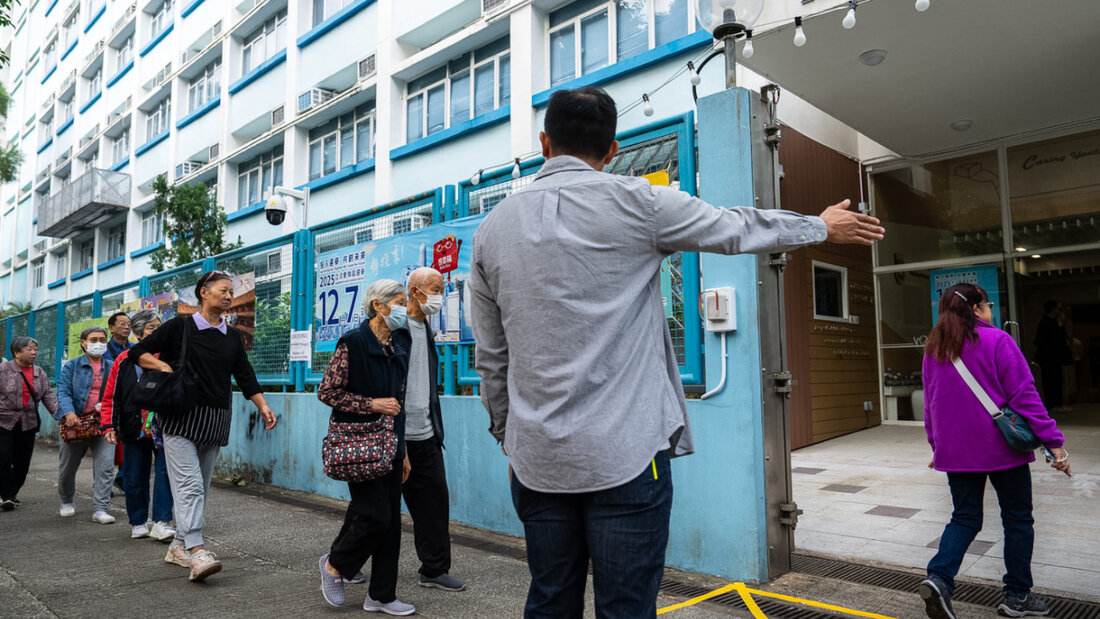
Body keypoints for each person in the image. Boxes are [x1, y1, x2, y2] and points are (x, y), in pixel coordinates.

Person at [469, 86, 885, 618]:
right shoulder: (638, 203)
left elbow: (492, 355)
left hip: (539, 460)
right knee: (627, 606)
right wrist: (821, 225)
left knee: (550, 599)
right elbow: (736, 226)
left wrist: (509, 437)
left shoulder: (491, 230)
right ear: (613, 150)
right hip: (629, 452)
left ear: (545, 143)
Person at [919, 283, 1070, 619]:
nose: (990, 310)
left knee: (964, 517)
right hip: (1002, 450)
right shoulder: (999, 341)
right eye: (987, 305)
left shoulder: (934, 349)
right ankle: (1016, 596)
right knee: (1017, 520)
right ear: (975, 310)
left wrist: (937, 445)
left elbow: (931, 406)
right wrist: (1054, 442)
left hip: (956, 451)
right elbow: (1025, 396)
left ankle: (939, 579)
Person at [130, 270, 277, 583]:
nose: (228, 296)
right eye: (223, 290)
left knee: (201, 487)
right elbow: (137, 352)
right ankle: (196, 551)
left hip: (214, 419)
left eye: (231, 292)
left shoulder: (231, 335)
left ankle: (179, 545)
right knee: (190, 485)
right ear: (203, 292)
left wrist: (262, 406)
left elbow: (245, 374)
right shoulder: (179, 326)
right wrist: (163, 365)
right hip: (179, 417)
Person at [317, 279, 415, 616]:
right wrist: (371, 404)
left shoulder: (398, 350)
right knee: (375, 515)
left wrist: (402, 451)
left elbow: (398, 405)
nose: (404, 308)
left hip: (388, 445)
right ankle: (335, 564)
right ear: (379, 305)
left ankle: (382, 596)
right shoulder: (354, 343)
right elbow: (328, 391)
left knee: (390, 522)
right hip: (358, 446)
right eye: (400, 301)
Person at [400, 267, 464, 591]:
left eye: (442, 288)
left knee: (436, 502)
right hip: (396, 435)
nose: (439, 294)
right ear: (415, 291)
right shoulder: (393, 327)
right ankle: (343, 562)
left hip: (426, 434)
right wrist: (396, 440)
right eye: (435, 288)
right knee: (374, 511)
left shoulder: (425, 328)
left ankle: (434, 569)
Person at [101, 309, 175, 542]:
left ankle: (162, 521)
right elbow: (111, 396)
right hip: (133, 427)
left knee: (165, 473)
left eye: (160, 327)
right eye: (152, 328)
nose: (157, 331)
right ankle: (138, 521)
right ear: (139, 332)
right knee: (134, 476)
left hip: (165, 426)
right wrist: (108, 426)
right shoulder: (124, 360)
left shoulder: (171, 355)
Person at [55, 327, 115, 524]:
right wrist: (69, 412)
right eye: (93, 339)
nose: (99, 343)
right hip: (76, 424)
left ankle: (100, 509)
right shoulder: (72, 366)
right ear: (83, 343)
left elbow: (119, 395)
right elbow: (62, 391)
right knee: (67, 468)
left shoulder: (112, 366)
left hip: (103, 425)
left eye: (102, 339)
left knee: (105, 468)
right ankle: (66, 501)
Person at [0, 337, 60, 511]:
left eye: (35, 349)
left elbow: (48, 395)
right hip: (3, 421)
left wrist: (60, 416)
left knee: (22, 462)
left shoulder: (39, 372)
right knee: (3, 457)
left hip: (27, 422)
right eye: (29, 349)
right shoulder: (3, 370)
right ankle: (6, 495)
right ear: (17, 352)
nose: (34, 352)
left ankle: (11, 493)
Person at [1033, 300, 1071, 413]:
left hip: (1055, 357)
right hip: (1048, 358)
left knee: (1058, 380)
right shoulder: (1045, 323)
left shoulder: (1054, 322)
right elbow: (1043, 340)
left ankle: (1058, 403)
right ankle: (1053, 404)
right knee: (1050, 380)